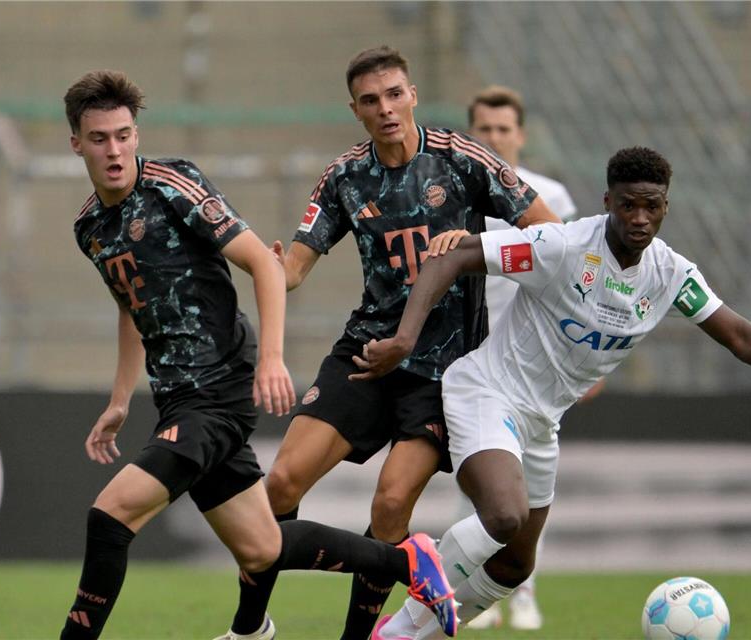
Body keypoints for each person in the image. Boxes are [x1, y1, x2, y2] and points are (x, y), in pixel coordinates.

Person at [352, 146, 751, 640]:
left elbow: (737, 334)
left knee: (515, 565)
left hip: (543, 422)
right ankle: (398, 629)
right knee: (504, 515)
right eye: (628, 205)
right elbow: (454, 256)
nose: (639, 218)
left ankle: (409, 633)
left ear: (666, 206)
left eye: (651, 206)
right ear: (608, 202)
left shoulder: (670, 275)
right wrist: (405, 338)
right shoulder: (561, 246)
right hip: (489, 393)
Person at [58, 69, 458, 640]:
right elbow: (130, 305)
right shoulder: (89, 226)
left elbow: (265, 265)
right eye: (99, 139)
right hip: (177, 399)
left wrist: (272, 359)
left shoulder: (173, 185)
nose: (114, 150)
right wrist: (120, 399)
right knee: (263, 546)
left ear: (136, 135)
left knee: (110, 514)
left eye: (123, 135)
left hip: (218, 390)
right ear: (77, 143)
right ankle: (406, 561)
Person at [228, 46, 562, 640]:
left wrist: (476, 248)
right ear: (355, 110)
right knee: (279, 484)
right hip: (368, 354)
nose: (384, 108)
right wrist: (262, 262)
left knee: (389, 505)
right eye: (370, 100)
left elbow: (551, 235)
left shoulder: (463, 160)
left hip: (446, 371)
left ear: (412, 96)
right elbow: (294, 269)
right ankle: (251, 628)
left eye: (393, 95)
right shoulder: (345, 176)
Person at [465, 85, 583, 631]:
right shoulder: (459, 193)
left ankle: (522, 589)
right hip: (474, 357)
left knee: (532, 486)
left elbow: (578, 279)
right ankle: (484, 591)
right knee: (481, 479)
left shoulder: (551, 197)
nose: (494, 138)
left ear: (521, 135)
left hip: (538, 365)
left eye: (503, 129)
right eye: (484, 129)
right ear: (471, 134)